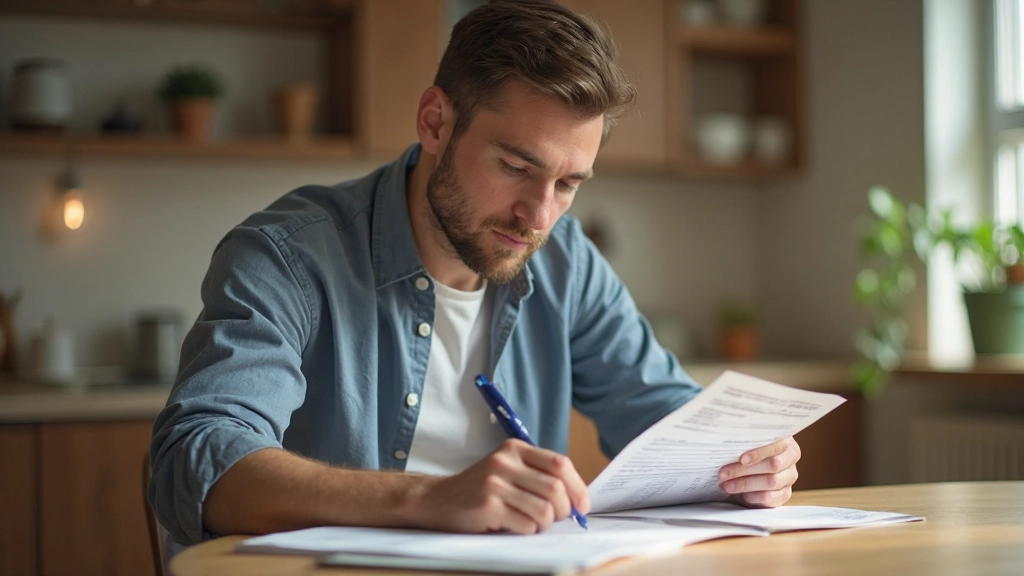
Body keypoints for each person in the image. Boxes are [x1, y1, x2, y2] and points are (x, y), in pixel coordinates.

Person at [148, 0, 801, 548]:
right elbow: (196, 460)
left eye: (569, 183)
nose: (539, 214)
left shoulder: (565, 260)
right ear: (435, 122)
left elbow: (666, 420)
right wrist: (427, 499)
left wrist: (742, 462)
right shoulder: (287, 258)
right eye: (517, 167)